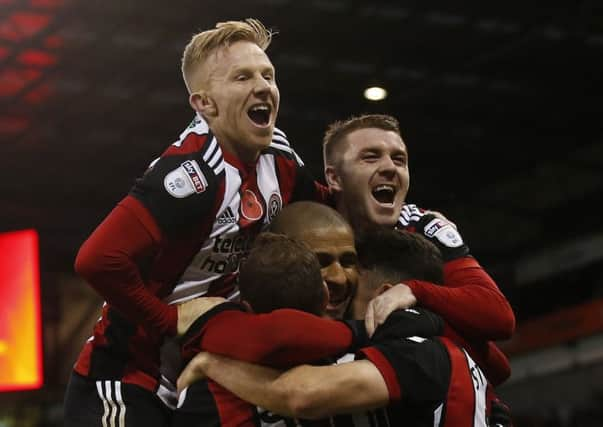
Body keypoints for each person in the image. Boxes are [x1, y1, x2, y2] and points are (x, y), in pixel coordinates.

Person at [63, 18, 326, 427]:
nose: (262, 86)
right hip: (128, 375)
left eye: (268, 75)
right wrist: (168, 321)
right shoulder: (189, 175)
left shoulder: (280, 157)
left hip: (209, 369)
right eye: (242, 77)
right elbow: (97, 260)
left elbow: (325, 212)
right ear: (204, 104)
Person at [178, 219, 495, 426]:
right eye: (321, 265)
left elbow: (301, 395)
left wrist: (211, 364)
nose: (339, 281)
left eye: (351, 267)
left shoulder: (423, 352)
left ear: (387, 296)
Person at [321, 114, 515, 385]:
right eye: (371, 157)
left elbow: (498, 317)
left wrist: (414, 291)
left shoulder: (423, 226)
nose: (390, 167)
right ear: (334, 178)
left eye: (399, 159)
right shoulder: (309, 225)